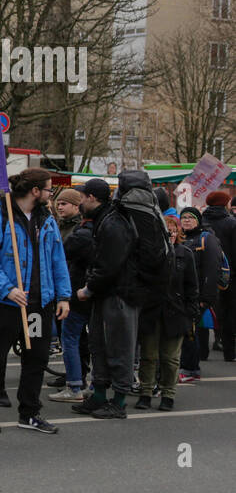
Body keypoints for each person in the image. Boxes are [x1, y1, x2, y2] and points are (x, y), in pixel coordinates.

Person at [0, 168, 70, 434]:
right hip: (8, 303)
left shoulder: (46, 220)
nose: (51, 194)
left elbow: (57, 258)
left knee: (36, 357)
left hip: (39, 303)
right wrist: (6, 289)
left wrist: (63, 296)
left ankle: (29, 412)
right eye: (49, 189)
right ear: (35, 191)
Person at [72, 178, 142, 419]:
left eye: (81, 197)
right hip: (107, 293)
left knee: (119, 348)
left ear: (92, 198)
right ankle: (100, 396)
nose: (79, 202)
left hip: (120, 294)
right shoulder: (106, 218)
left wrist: (88, 288)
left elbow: (109, 264)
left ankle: (119, 402)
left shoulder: (113, 223)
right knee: (99, 346)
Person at [136, 215, 197, 412]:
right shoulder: (149, 254)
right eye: (166, 230)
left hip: (176, 313)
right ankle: (145, 392)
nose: (169, 233)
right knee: (148, 355)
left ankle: (168, 393)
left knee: (170, 358)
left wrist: (190, 313)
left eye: (172, 230)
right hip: (152, 311)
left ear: (178, 232)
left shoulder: (185, 254)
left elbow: (192, 287)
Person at [49, 189, 94, 403]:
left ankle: (76, 382)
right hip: (70, 288)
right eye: (58, 203)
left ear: (77, 206)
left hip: (74, 289)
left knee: (72, 337)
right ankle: (76, 377)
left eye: (65, 203)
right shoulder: (60, 225)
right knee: (72, 336)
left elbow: (62, 255)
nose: (60, 207)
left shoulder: (81, 230)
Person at [177, 206, 223, 384]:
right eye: (184, 217)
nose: (187, 220)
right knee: (187, 331)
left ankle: (190, 369)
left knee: (191, 332)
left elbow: (213, 270)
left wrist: (206, 299)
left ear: (198, 220)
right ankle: (188, 366)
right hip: (184, 295)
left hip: (199, 296)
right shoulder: (182, 238)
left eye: (190, 217)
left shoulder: (207, 239)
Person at [200, 190, 236, 361]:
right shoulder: (231, 223)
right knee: (229, 311)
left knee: (205, 309)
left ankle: (201, 352)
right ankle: (229, 350)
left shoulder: (201, 220)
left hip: (205, 273)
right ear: (224, 203)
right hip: (229, 274)